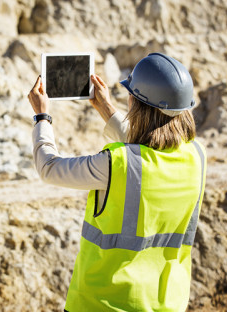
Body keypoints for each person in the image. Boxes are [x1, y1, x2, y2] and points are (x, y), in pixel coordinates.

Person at [27, 52, 207, 312]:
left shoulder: (117, 164)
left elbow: (50, 168)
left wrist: (41, 117)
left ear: (135, 102)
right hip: (166, 303)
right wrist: (105, 108)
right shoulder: (197, 157)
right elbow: (150, 145)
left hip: (102, 303)